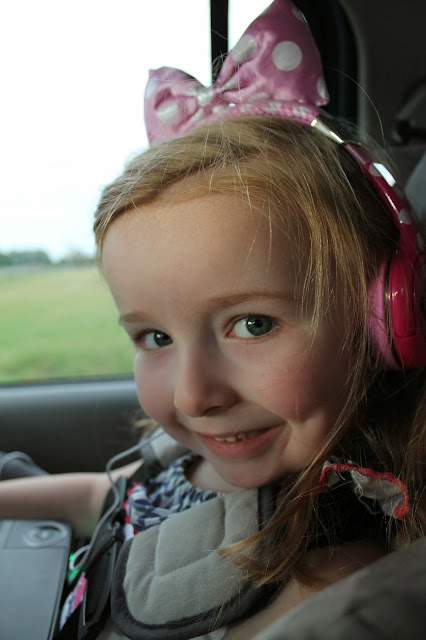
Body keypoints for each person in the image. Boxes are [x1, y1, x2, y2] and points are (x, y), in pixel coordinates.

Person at [1, 1, 426, 638]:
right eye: (155, 337)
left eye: (253, 325)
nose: (192, 397)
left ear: (383, 318)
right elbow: (110, 499)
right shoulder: (203, 448)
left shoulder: (323, 578)